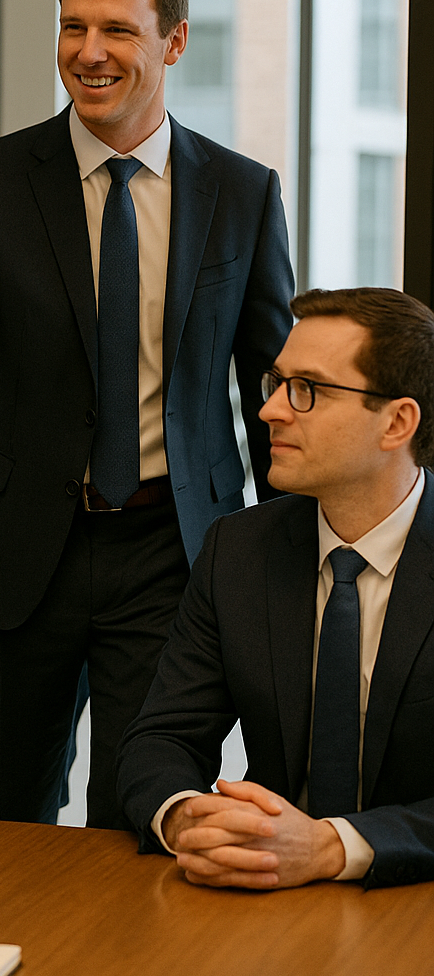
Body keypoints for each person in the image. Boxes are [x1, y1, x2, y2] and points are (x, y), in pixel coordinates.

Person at [0, 0, 294, 829]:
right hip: (19, 544)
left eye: (118, 31)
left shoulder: (242, 193)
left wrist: (294, 534)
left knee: (144, 810)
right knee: (9, 811)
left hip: (176, 549)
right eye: (72, 27)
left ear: (172, 41)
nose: (89, 53)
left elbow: (269, 382)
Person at [116, 288, 434, 890]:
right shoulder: (238, 550)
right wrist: (189, 818)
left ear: (397, 422)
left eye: (308, 390)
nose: (270, 411)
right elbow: (160, 739)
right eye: (276, 382)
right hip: (266, 897)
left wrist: (331, 848)